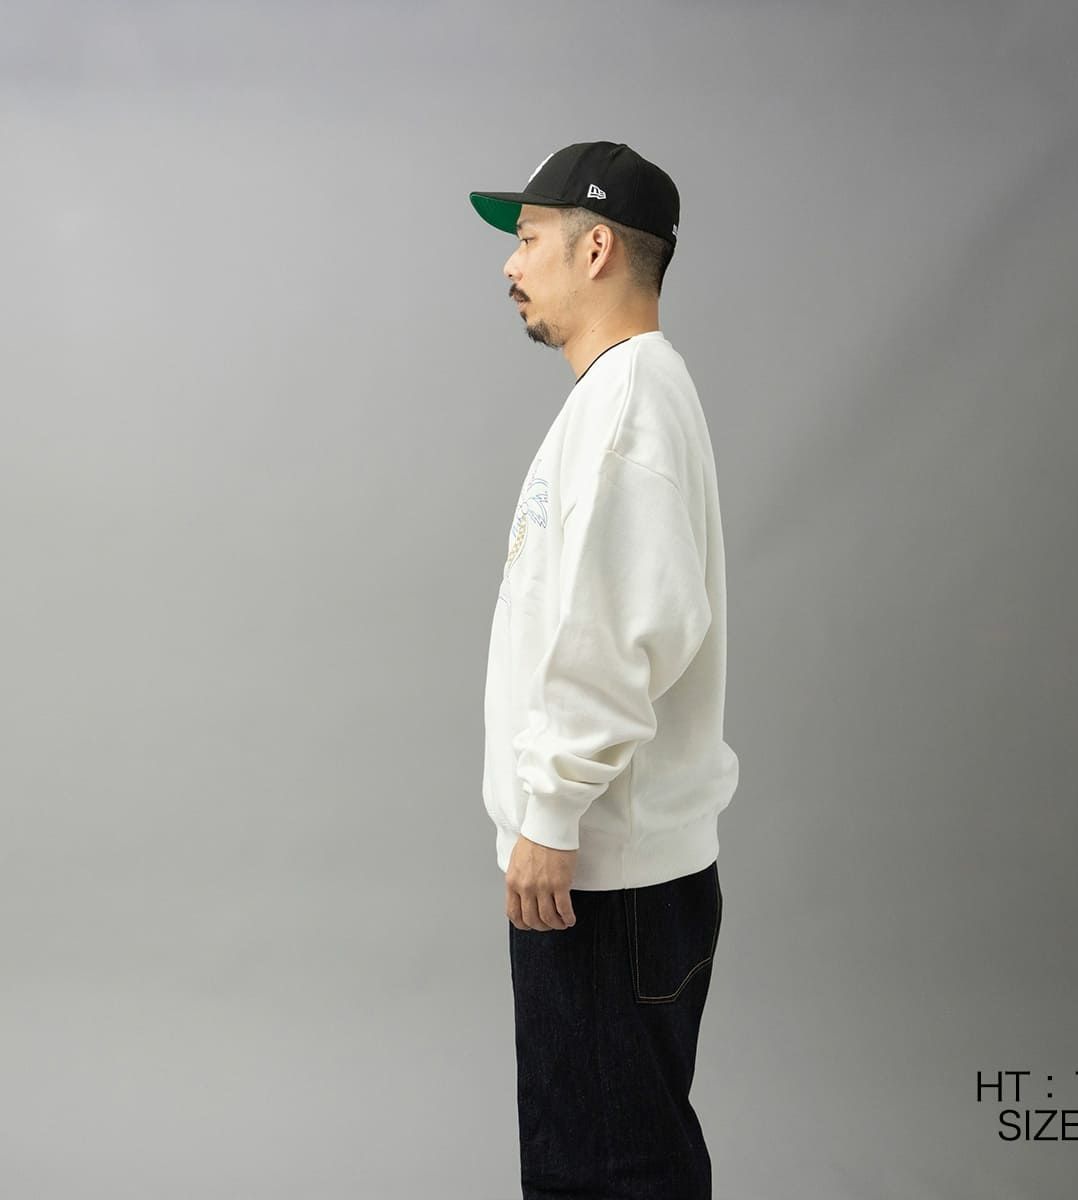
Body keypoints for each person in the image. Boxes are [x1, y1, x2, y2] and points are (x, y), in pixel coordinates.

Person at [469, 141, 739, 1200]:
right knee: (599, 1160)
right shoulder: (621, 397)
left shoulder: (627, 408)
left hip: (603, 876)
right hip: (608, 867)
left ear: (595, 250)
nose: (509, 263)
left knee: (610, 1174)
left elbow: (628, 633)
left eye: (529, 238)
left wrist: (550, 812)